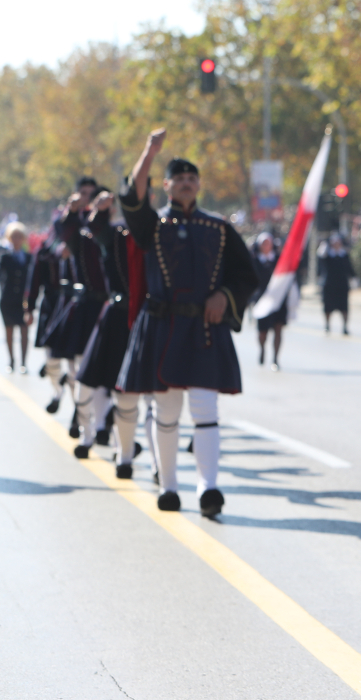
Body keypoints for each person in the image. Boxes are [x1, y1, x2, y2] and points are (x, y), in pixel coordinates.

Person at [117, 128, 257, 516]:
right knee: (166, 413)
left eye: (192, 179)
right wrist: (149, 150)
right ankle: (170, 486)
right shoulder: (153, 225)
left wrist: (223, 297)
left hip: (205, 331)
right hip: (163, 328)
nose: (186, 184)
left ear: (199, 185)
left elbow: (246, 276)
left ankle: (208, 489)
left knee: (206, 412)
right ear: (165, 186)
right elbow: (132, 197)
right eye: (178, 179)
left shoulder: (219, 227)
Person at [72, 190, 142, 477]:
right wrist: (100, 210)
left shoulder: (157, 232)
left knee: (141, 397)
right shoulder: (114, 234)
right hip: (114, 317)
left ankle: (126, 456)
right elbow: (94, 230)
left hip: (146, 319)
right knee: (85, 382)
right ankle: (88, 435)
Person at [26, 177, 97, 413]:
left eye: (90, 194)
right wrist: (29, 305)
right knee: (52, 359)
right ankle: (57, 391)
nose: (86, 198)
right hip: (55, 299)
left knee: (76, 362)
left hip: (79, 301)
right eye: (82, 193)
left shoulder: (95, 224)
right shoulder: (64, 222)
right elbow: (44, 260)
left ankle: (81, 411)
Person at [250, 232, 287, 370]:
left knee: (278, 329)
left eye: (268, 242)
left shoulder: (279, 259)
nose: (266, 246)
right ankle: (262, 349)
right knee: (262, 331)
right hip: (262, 300)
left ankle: (276, 358)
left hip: (278, 300)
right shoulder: (254, 260)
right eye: (263, 243)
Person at [1, 222, 31, 373]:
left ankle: (24, 362)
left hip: (23, 300)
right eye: (14, 237)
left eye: (19, 236)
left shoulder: (29, 257)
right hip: (7, 299)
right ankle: (11, 360)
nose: (17, 239)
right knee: (9, 331)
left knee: (24, 330)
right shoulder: (4, 257)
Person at [318, 234, 356, 334]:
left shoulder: (344, 255)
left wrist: (354, 278)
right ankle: (327, 325)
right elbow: (321, 260)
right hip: (329, 285)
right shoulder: (327, 255)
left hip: (342, 285)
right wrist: (324, 247)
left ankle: (345, 327)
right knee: (328, 307)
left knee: (344, 307)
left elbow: (349, 269)